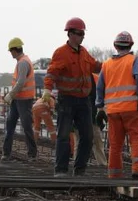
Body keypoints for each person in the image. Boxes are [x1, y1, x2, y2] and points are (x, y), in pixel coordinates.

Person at [43, 17, 102, 177]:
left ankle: (80, 169)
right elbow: (51, 73)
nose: (83, 36)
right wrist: (47, 90)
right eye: (80, 33)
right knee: (63, 135)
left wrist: (111, 65)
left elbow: (96, 66)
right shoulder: (61, 53)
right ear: (70, 34)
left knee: (87, 136)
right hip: (67, 100)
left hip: (84, 101)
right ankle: (61, 170)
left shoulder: (83, 52)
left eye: (83, 33)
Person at [95, 31, 138, 179]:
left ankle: (114, 174)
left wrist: (100, 107)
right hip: (132, 109)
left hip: (113, 111)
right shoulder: (134, 60)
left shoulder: (106, 64)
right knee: (137, 139)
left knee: (115, 144)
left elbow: (99, 87)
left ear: (115, 46)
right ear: (130, 45)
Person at [1, 37, 37, 162]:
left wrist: (10, 95)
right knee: (10, 125)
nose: (10, 53)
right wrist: (13, 97)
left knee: (26, 127)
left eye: (11, 51)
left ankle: (32, 154)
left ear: (15, 50)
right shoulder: (21, 61)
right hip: (17, 100)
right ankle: (6, 153)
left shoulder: (22, 62)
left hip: (24, 100)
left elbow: (21, 82)